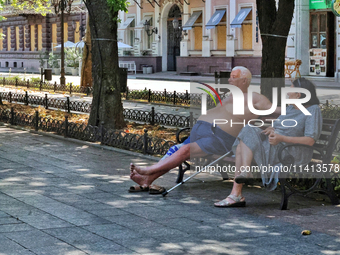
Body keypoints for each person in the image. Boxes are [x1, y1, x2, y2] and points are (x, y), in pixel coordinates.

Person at [129, 66, 274, 192]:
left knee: (185, 151)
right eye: (230, 77)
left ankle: (149, 170)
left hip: (220, 138)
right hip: (203, 133)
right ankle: (147, 180)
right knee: (175, 150)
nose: (229, 80)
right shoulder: (230, 96)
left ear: (244, 81)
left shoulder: (255, 98)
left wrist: (276, 124)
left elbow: (275, 111)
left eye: (233, 77)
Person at [214, 78, 322, 207]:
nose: (288, 93)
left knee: (246, 135)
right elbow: (280, 127)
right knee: (243, 142)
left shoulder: (313, 110)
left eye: (290, 89)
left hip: (291, 152)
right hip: (277, 146)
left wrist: (281, 138)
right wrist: (272, 129)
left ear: (298, 95)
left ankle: (237, 192)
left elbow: (310, 140)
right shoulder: (291, 108)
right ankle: (237, 190)